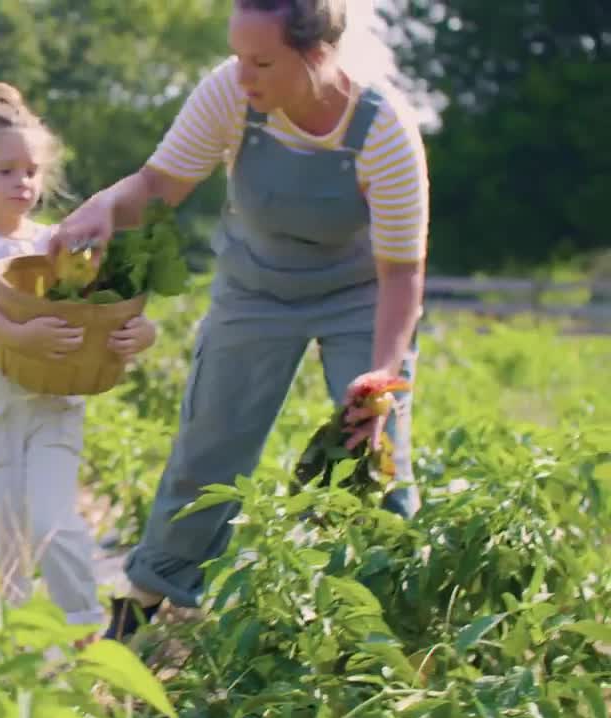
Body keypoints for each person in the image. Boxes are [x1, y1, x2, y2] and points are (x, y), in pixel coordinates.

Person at [47, 0, 430, 641]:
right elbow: (157, 185)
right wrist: (103, 206)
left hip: (358, 294)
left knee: (371, 449)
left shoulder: (383, 130)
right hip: (255, 287)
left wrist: (384, 372)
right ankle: (143, 608)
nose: (243, 74)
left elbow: (401, 273)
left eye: (261, 61)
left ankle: (387, 628)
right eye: (238, 56)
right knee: (209, 448)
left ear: (316, 56)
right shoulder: (231, 93)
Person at [0, 82, 158, 639]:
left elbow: (102, 307)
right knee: (0, 542)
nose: (22, 182)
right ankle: (15, 652)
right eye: (5, 171)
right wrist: (20, 335)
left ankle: (86, 636)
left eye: (31, 171)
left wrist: (140, 333)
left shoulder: (59, 242)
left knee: (55, 524)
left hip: (53, 408)